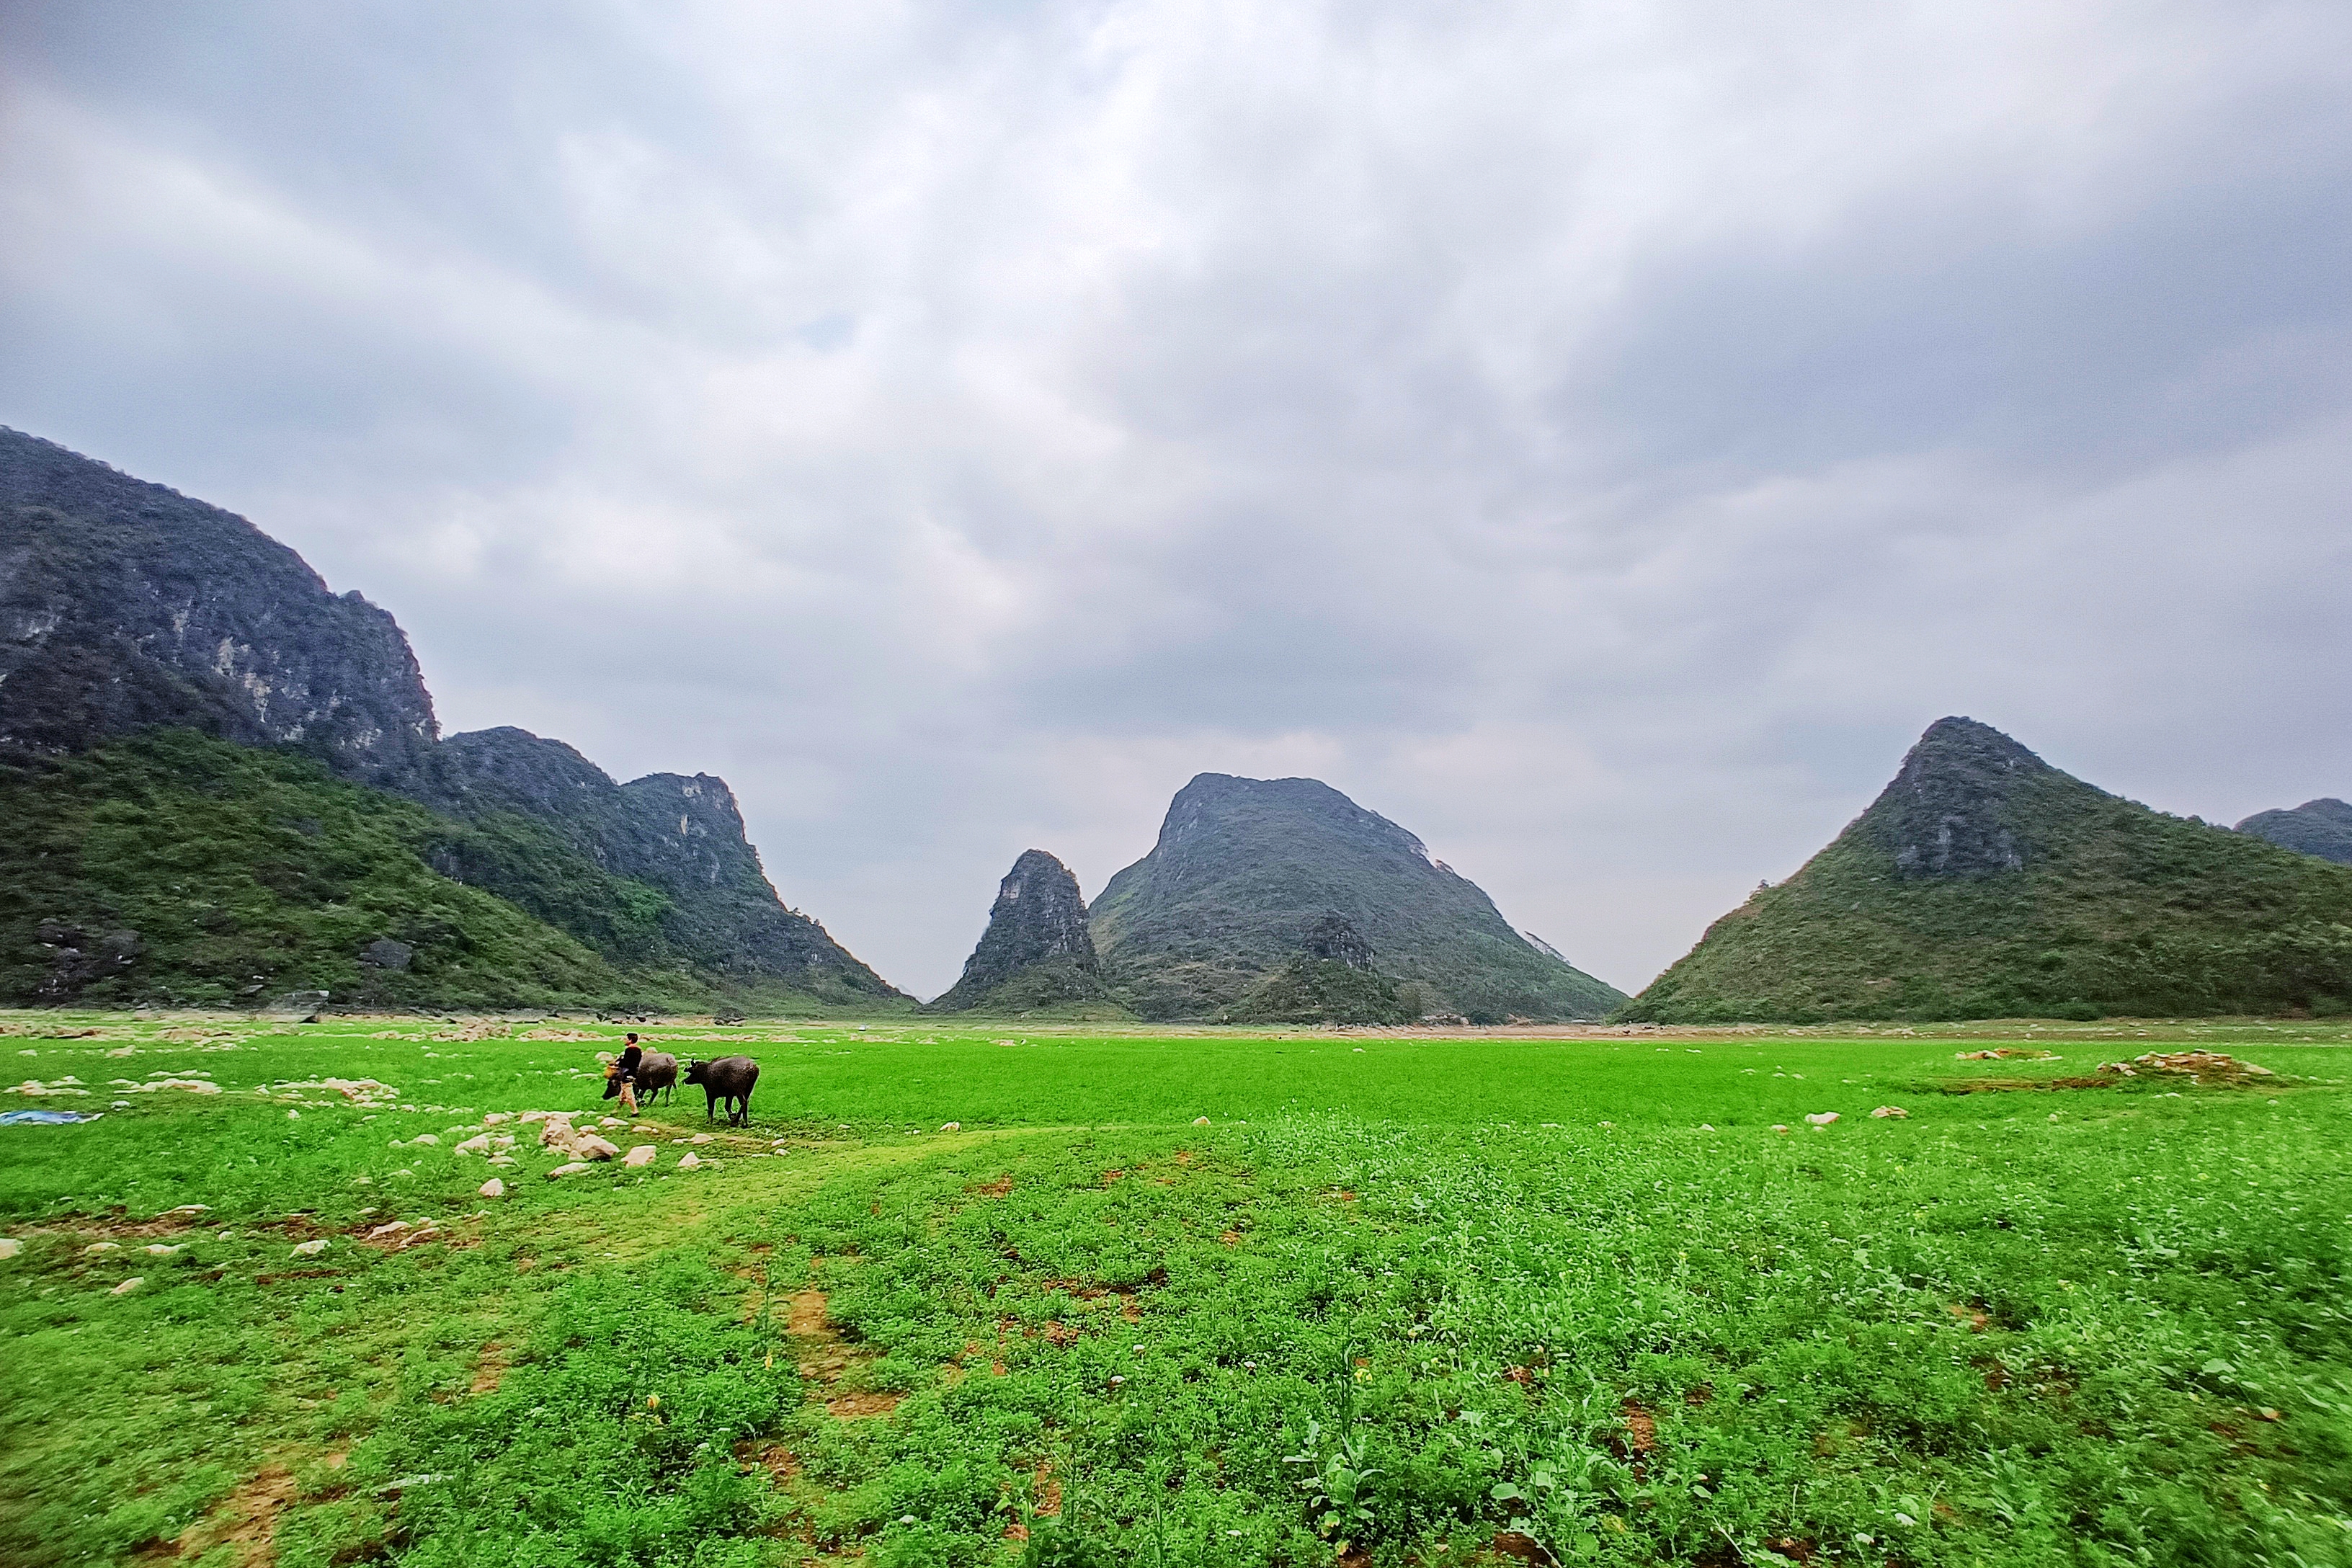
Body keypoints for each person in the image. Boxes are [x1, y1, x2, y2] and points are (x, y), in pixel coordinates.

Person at [611, 1033, 644, 1114]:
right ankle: (616, 1109)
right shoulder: (638, 1050)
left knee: (628, 1093)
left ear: (630, 1040)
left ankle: (635, 1110)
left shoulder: (629, 1050)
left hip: (627, 1073)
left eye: (626, 1039)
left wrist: (618, 1062)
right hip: (634, 1073)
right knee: (623, 1093)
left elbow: (627, 1063)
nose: (624, 1040)